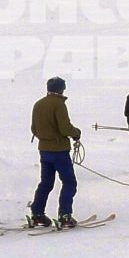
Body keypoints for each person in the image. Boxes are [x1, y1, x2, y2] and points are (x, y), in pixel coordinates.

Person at [28, 77, 81, 228]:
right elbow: (65, 128)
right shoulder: (59, 104)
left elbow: (34, 129)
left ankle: (37, 213)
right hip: (59, 151)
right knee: (69, 182)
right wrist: (76, 133)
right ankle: (65, 215)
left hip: (44, 150)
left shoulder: (38, 104)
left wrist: (45, 138)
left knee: (46, 183)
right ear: (61, 89)